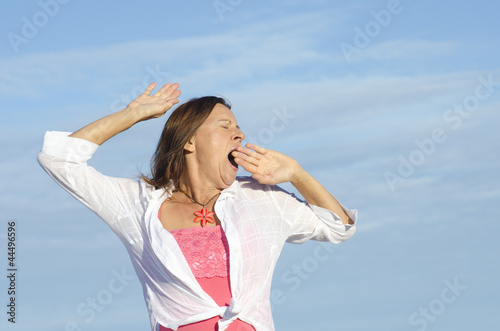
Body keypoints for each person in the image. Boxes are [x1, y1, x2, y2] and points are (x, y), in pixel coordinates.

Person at [37, 82, 357, 331]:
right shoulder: (136, 204)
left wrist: (297, 174)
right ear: (189, 141)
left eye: (238, 127)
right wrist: (131, 115)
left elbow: (338, 226)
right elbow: (59, 160)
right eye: (225, 126)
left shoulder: (263, 198)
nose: (240, 133)